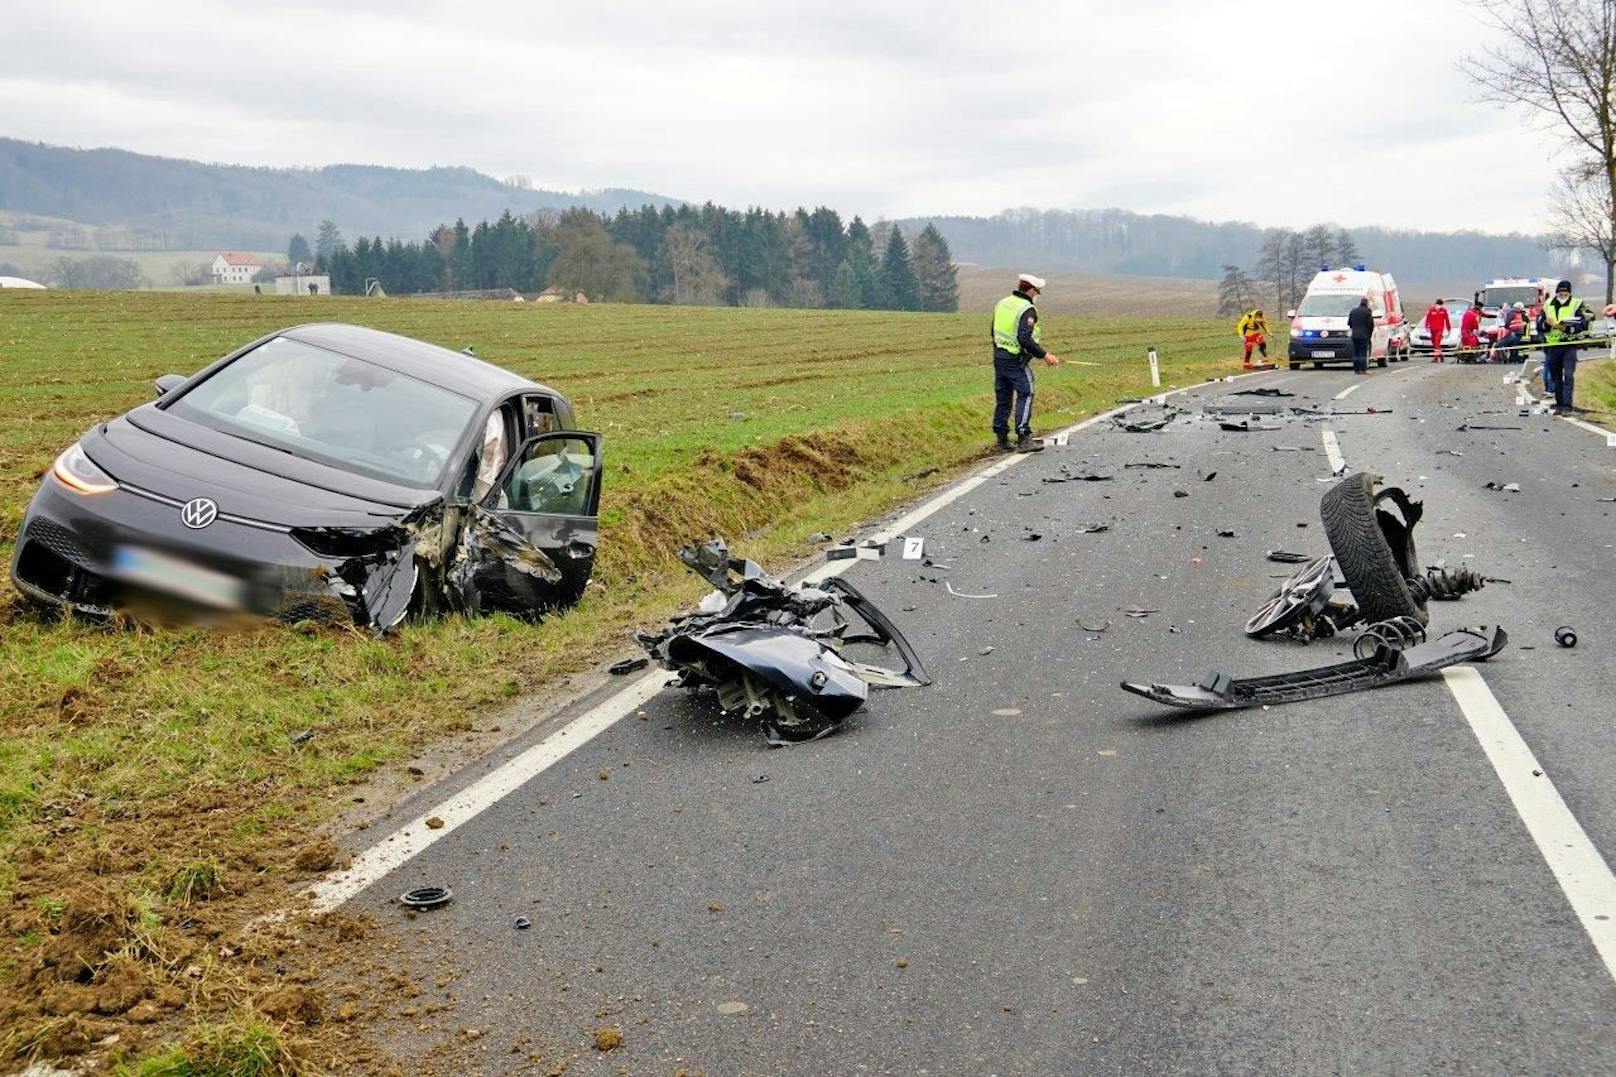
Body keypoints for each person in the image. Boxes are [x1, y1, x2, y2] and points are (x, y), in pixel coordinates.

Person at [991, 273, 1062, 452]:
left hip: (999, 357)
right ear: (1030, 290)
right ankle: (1024, 437)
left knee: (1003, 398)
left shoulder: (1003, 303)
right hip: (1015, 359)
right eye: (1037, 292)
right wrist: (1045, 355)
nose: (1037, 295)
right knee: (1027, 392)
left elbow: (993, 331)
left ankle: (1001, 440)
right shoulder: (1027, 309)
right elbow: (1024, 338)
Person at [1541, 279, 1595, 413]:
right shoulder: (1548, 304)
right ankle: (1559, 402)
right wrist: (1546, 324)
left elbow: (1583, 323)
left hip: (1569, 345)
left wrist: (1567, 328)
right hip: (1552, 345)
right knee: (1556, 376)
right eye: (1560, 292)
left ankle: (1567, 404)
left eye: (1565, 292)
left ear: (1570, 293)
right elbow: (1540, 324)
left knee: (1569, 375)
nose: (1562, 294)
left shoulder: (1576, 304)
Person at [1347, 297, 1374, 374]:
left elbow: (1349, 323)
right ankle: (1363, 369)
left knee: (1356, 352)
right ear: (1366, 303)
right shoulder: (1368, 311)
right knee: (1363, 352)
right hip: (1364, 335)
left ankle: (1356, 369)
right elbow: (1371, 325)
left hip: (1354, 335)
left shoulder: (1353, 311)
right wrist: (1369, 334)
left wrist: (1354, 328)